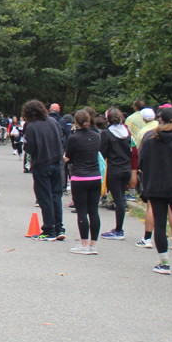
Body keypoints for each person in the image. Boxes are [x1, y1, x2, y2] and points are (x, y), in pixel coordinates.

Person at [138, 106, 172, 275]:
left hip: (156, 186)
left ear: (160, 120)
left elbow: (142, 163)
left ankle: (164, 262)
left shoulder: (150, 138)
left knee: (159, 225)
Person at [23, 100, 66, 241]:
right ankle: (59, 227)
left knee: (44, 197)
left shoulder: (31, 127)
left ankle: (49, 229)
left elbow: (29, 148)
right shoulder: (53, 122)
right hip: (57, 162)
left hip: (42, 163)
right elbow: (61, 139)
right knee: (56, 195)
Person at [64, 109, 101, 254]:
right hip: (95, 176)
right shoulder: (97, 136)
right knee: (94, 211)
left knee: (82, 212)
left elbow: (69, 157)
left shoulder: (74, 138)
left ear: (76, 121)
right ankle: (93, 244)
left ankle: (84, 244)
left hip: (79, 176)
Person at [100, 108, 132, 240]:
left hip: (114, 169)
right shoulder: (127, 132)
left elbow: (102, 153)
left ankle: (119, 230)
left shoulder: (107, 133)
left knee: (118, 200)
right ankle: (119, 228)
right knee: (121, 198)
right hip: (126, 168)